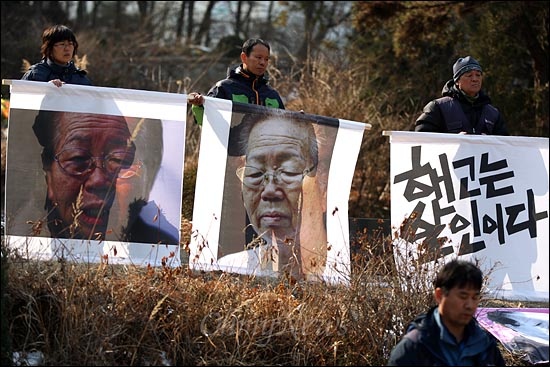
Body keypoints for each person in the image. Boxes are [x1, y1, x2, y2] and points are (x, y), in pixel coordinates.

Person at [217, 107, 333, 280]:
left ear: (324, 187)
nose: (269, 191)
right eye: (255, 174)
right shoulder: (231, 270)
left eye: (289, 171)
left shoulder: (351, 271)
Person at [31, 110, 135, 240]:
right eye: (78, 159)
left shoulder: (161, 251)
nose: (98, 180)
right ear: (48, 175)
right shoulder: (19, 247)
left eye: (118, 160)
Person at [387, 259, 506, 366]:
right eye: (463, 296)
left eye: (475, 297)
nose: (469, 305)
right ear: (440, 295)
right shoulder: (414, 347)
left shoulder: (485, 345)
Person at [187, 38, 285, 125]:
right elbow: (204, 121)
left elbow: (283, 127)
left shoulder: (273, 95)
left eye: (266, 59)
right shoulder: (224, 88)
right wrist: (198, 105)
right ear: (244, 57)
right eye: (258, 57)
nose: (263, 62)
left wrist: (299, 119)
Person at [414, 56, 508, 135]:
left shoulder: (492, 113)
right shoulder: (438, 107)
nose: (475, 79)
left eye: (478, 75)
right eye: (469, 75)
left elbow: (504, 145)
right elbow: (422, 139)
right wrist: (453, 141)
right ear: (457, 81)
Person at [21, 24, 92, 87]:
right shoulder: (35, 74)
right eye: (62, 44)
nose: (67, 48)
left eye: (70, 44)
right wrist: (46, 88)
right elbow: (20, 97)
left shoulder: (80, 78)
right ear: (49, 48)